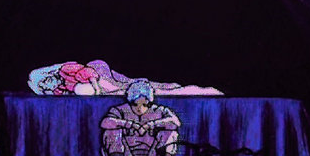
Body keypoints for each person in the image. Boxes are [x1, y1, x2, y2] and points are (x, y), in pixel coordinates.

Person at [100, 80, 180, 156]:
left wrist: (151, 124)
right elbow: (105, 122)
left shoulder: (159, 110)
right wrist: (130, 124)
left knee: (171, 134)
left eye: (144, 104)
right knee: (111, 133)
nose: (139, 108)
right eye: (135, 104)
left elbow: (175, 122)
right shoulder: (120, 110)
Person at [27, 59, 223, 96]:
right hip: (96, 81)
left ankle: (179, 89)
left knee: (127, 87)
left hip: (97, 72)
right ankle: (173, 87)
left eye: (46, 80)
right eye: (45, 86)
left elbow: (89, 73)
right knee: (129, 85)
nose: (49, 84)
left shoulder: (65, 70)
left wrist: (98, 89)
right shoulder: (58, 89)